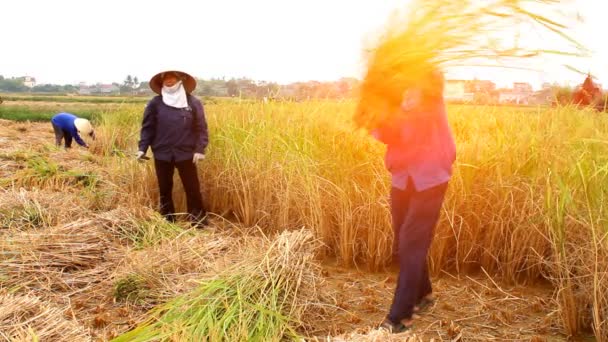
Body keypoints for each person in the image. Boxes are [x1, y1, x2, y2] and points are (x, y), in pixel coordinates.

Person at [371, 71, 456, 333]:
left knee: (412, 240)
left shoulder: (429, 86)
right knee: (403, 240)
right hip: (402, 174)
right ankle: (424, 293)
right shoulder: (392, 94)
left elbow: (432, 79)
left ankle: (401, 315)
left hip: (430, 175)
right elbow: (384, 133)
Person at [137, 70, 209, 226]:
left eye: (172, 78)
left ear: (180, 80)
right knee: (164, 188)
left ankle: (198, 222)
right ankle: (167, 221)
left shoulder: (192, 103)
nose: (169, 80)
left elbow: (201, 128)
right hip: (162, 152)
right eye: (166, 78)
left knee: (192, 188)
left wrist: (199, 149)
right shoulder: (155, 103)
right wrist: (142, 148)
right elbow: (148, 127)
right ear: (162, 82)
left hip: (187, 153)